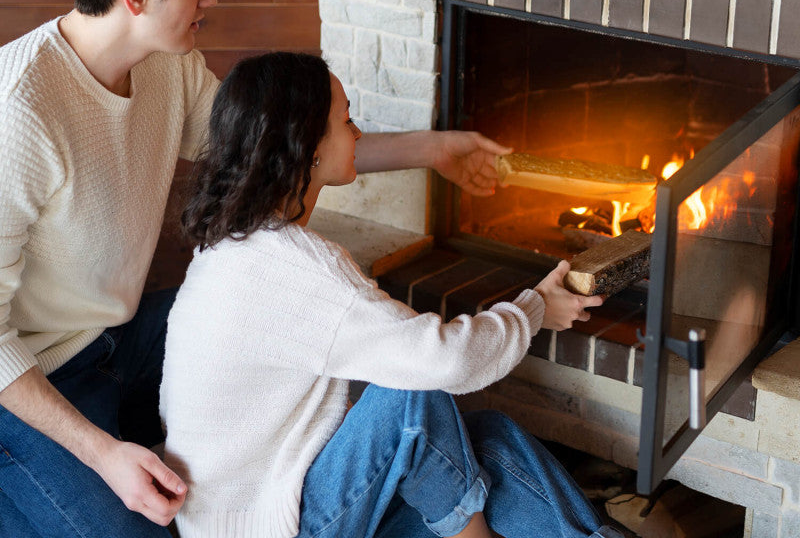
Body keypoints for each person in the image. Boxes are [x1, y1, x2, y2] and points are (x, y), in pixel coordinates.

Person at [0, 0, 514, 538]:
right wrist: (103, 454)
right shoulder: (21, 114)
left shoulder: (168, 64)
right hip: (27, 384)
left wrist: (436, 148)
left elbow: (285, 147)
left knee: (315, 359)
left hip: (121, 336)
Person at [160, 51, 620, 538]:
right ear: (308, 145)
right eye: (346, 119)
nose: (357, 133)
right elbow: (441, 360)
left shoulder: (236, 247)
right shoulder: (292, 265)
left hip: (264, 509)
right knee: (409, 404)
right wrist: (534, 309)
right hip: (272, 526)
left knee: (488, 440)